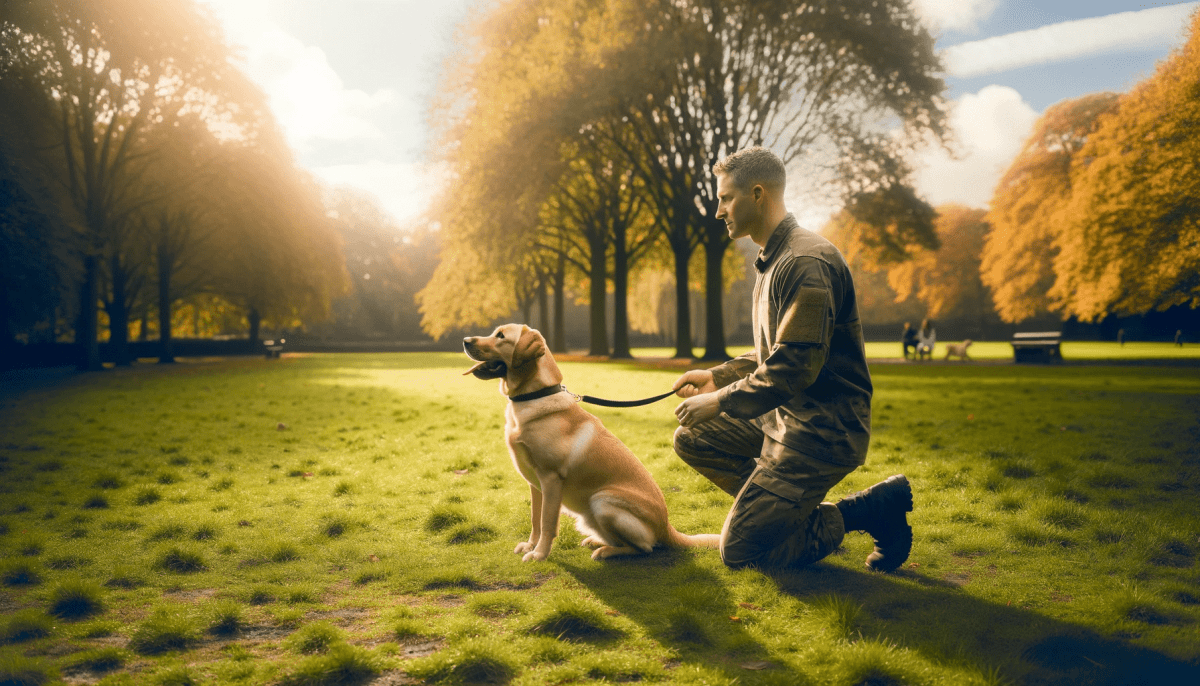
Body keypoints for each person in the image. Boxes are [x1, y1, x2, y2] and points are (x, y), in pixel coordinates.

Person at [671, 147, 912, 573]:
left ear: (758, 193)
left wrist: (722, 400)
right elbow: (774, 352)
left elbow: (797, 363)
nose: (718, 210)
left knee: (743, 553)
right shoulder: (774, 259)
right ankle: (782, 512)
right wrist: (717, 376)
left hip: (821, 433)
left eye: (726, 198)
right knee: (694, 437)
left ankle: (866, 510)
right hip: (783, 421)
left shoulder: (804, 261)